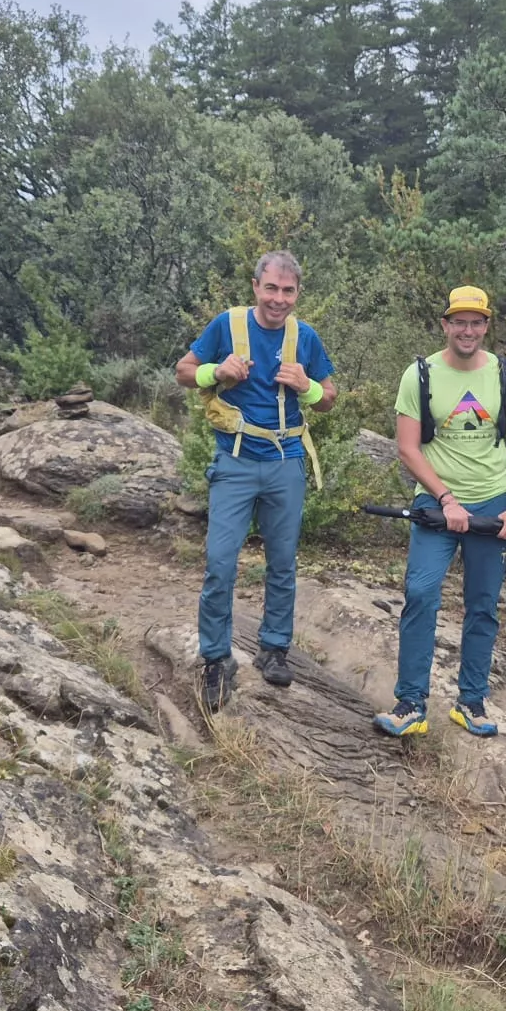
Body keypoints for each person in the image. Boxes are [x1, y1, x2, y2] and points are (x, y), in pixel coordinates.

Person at [174, 251, 337, 713]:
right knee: (220, 563)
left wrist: (307, 387)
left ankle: (274, 648)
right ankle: (215, 658)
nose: (278, 299)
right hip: (237, 461)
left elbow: (329, 398)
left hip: (286, 460)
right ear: (255, 287)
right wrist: (216, 372)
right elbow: (184, 371)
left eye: (287, 291)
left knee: (282, 562)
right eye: (271, 288)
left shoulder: (304, 336)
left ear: (297, 294)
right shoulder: (227, 325)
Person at [375, 286, 506, 739]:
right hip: (435, 503)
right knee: (422, 594)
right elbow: (407, 448)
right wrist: (446, 499)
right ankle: (411, 702)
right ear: (445, 324)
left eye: (477, 322)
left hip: (493, 502)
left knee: (483, 605)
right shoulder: (420, 374)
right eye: (459, 321)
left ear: (487, 326)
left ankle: (471, 701)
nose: (468, 330)